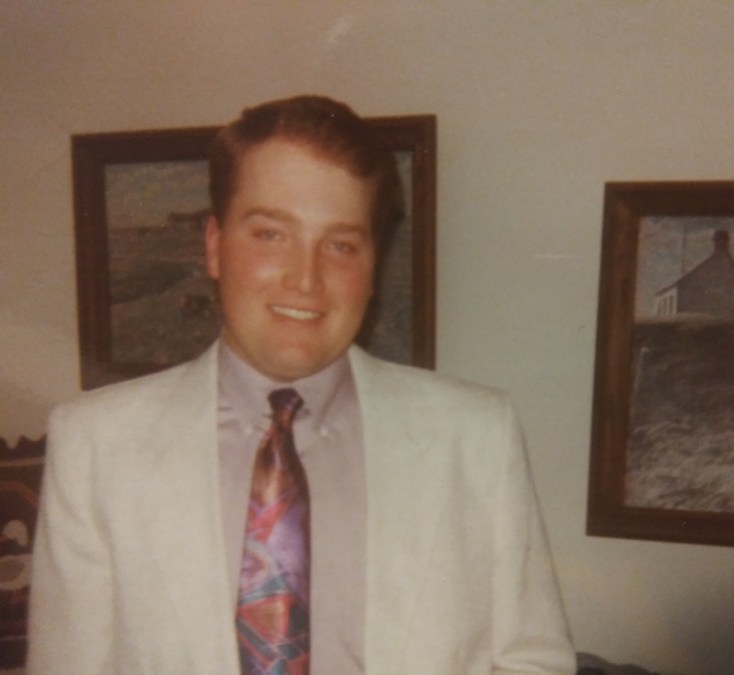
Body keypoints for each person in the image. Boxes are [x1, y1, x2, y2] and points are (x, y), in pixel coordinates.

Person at [27, 95, 575, 674]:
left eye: (340, 245)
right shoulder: (96, 445)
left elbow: (533, 660)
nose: (306, 279)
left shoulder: (476, 436)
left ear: (373, 266)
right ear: (214, 246)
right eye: (271, 234)